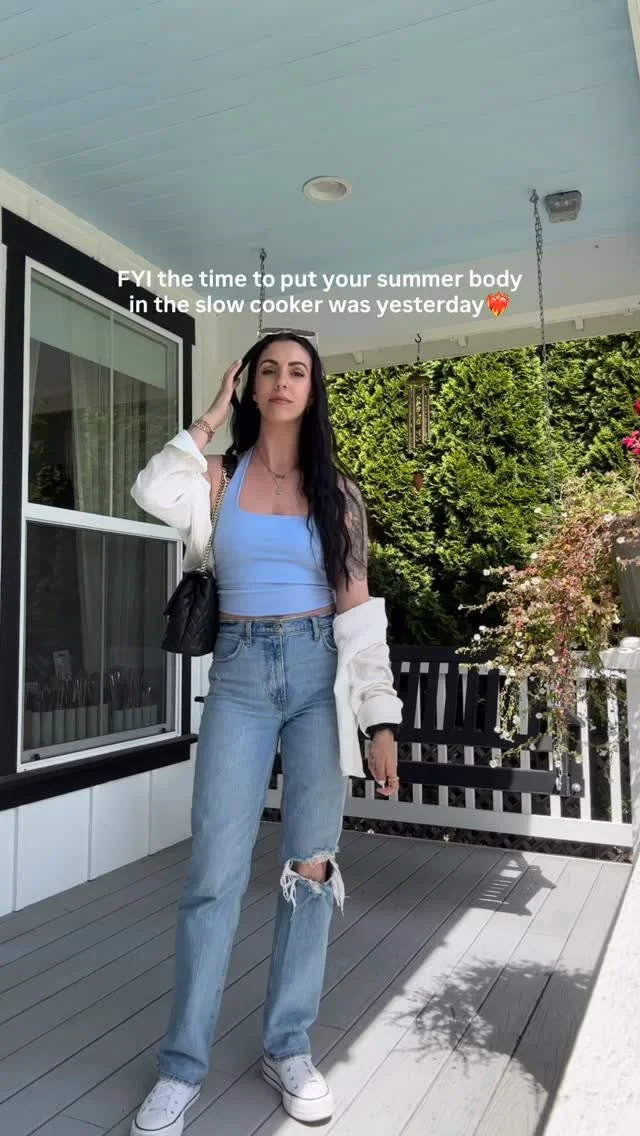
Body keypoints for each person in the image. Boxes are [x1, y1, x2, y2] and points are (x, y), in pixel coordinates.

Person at [129, 332, 403, 1135]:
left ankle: (288, 1046)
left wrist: (380, 718)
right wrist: (207, 419)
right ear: (250, 386)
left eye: (298, 372)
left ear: (313, 390)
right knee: (213, 874)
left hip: (320, 680)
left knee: (311, 869)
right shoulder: (217, 477)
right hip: (241, 678)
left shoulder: (338, 494)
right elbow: (150, 488)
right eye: (268, 371)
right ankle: (181, 1067)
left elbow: (358, 613)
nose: (283, 382)